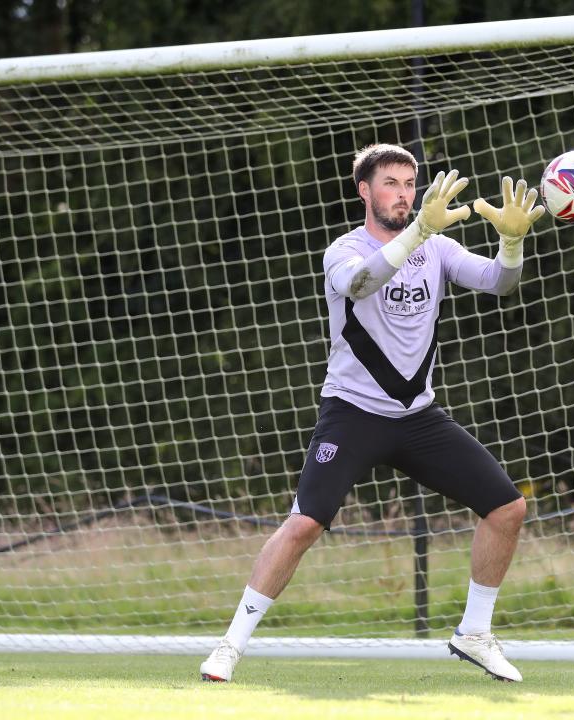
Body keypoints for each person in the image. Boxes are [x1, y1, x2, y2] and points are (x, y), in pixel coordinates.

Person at [200, 143, 545, 683]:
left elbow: (499, 282)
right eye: (391, 183)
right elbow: (360, 283)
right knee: (305, 522)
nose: (404, 194)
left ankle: (474, 634)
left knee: (508, 508)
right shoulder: (344, 249)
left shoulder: (439, 247)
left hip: (418, 417)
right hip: (353, 413)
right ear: (365, 191)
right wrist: (416, 235)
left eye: (410, 184)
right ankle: (229, 645)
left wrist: (512, 242)